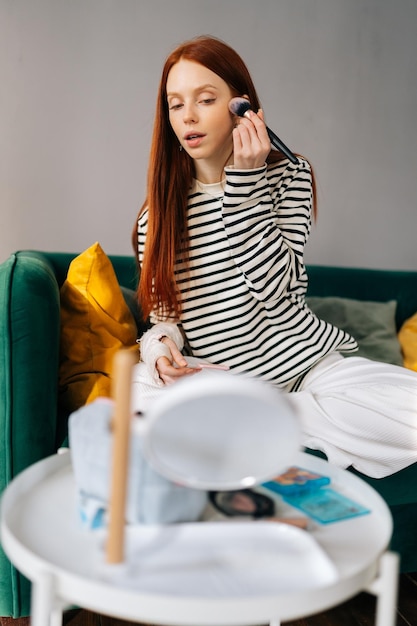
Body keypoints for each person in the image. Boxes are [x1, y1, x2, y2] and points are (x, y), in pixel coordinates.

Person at [132, 35, 417, 479]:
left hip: (308, 370)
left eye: (205, 99)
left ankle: (268, 421)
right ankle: (267, 419)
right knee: (137, 401)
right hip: (223, 380)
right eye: (174, 104)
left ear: (240, 106)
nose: (187, 116)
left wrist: (244, 186)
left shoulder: (290, 176)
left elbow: (274, 289)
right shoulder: (160, 214)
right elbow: (164, 316)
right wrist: (161, 349)